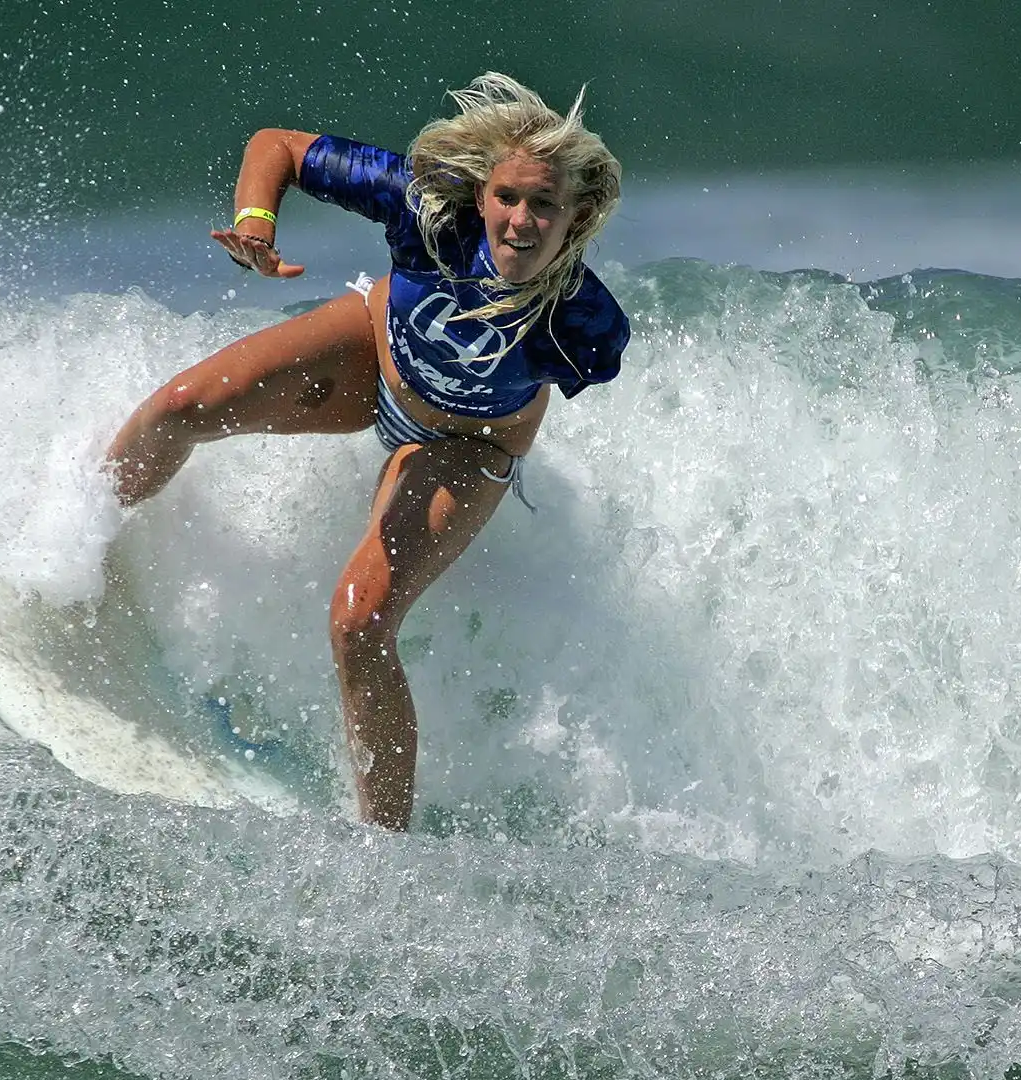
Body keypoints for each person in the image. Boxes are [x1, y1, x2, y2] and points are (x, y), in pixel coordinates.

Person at [103, 73, 630, 831]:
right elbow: (275, 145)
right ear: (481, 194)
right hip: (371, 362)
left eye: (543, 205)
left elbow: (533, 403)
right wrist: (255, 222)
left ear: (575, 217)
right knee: (182, 407)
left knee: (359, 620)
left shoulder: (589, 326)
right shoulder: (423, 209)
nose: (520, 221)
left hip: (466, 443)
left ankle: (385, 853)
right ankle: (65, 541)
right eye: (507, 197)